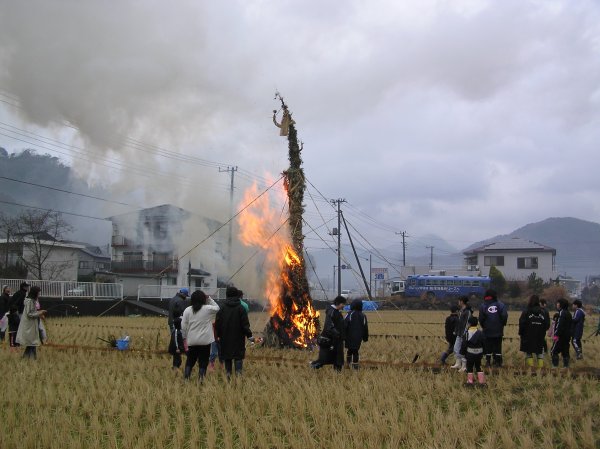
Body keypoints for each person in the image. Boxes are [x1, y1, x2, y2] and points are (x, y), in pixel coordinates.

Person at [215, 286, 254, 379]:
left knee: (227, 358)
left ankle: (228, 377)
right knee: (238, 357)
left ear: (227, 295)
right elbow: (245, 324)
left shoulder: (222, 308)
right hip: (238, 338)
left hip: (225, 338)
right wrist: (249, 335)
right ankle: (238, 377)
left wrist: (219, 335)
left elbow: (218, 324)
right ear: (237, 295)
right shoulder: (241, 308)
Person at [181, 290, 220, 381]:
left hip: (192, 340)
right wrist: (209, 299)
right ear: (203, 299)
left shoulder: (187, 310)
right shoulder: (207, 309)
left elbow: (183, 326)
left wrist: (184, 338)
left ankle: (186, 377)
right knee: (203, 361)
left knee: (190, 360)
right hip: (205, 341)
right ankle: (201, 379)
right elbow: (217, 308)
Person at [310, 295, 347, 371]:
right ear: (338, 303)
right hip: (331, 339)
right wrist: (337, 334)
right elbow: (329, 327)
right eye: (343, 304)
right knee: (325, 359)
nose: (343, 306)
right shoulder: (332, 311)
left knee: (337, 358)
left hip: (337, 339)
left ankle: (337, 373)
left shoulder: (336, 311)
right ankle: (313, 367)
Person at [478, 289, 508, 367]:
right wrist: (502, 323)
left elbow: (481, 318)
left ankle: (488, 362)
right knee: (497, 346)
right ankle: (498, 362)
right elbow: (504, 316)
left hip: (487, 330)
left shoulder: (483, 306)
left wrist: (484, 326)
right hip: (498, 329)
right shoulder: (501, 305)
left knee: (488, 346)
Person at [15, 285, 46, 359]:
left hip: (31, 325)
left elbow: (32, 312)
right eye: (38, 292)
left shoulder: (31, 300)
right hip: (29, 325)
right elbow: (30, 314)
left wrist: (39, 312)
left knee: (31, 343)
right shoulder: (30, 301)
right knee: (32, 342)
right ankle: (32, 358)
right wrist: (40, 313)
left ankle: (26, 357)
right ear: (35, 293)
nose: (39, 294)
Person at [518, 295, 548, 369]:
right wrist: (542, 332)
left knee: (529, 352)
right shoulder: (543, 312)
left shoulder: (526, 311)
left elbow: (522, 323)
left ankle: (531, 367)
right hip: (539, 335)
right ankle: (540, 368)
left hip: (528, 335)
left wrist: (521, 333)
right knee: (539, 352)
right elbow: (546, 324)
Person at [344, 299, 369, 370]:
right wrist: (365, 338)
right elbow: (365, 328)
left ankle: (348, 364)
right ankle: (355, 366)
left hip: (349, 336)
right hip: (358, 337)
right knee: (355, 351)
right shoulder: (363, 315)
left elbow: (344, 324)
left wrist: (343, 335)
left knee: (349, 350)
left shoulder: (350, 313)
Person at [450, 296, 472, 372]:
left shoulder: (468, 311)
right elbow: (459, 323)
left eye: (459, 301)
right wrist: (456, 331)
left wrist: (464, 332)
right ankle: (458, 363)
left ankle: (464, 366)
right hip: (459, 333)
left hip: (464, 334)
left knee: (463, 350)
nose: (458, 302)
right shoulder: (461, 311)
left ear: (462, 302)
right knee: (456, 348)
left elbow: (467, 323)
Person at [462, 316, 485, 386]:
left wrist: (463, 353)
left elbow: (464, 344)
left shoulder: (467, 333)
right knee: (478, 366)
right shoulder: (480, 333)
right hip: (479, 354)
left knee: (470, 367)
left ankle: (470, 382)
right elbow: (484, 343)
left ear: (469, 324)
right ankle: (481, 382)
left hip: (470, 354)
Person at [551, 298, 572, 368]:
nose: (557, 304)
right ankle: (566, 367)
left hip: (560, 336)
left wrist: (556, 335)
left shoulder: (561, 313)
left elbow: (560, 325)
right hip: (567, 337)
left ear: (561, 304)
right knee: (565, 352)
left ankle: (554, 367)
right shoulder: (569, 313)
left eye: (558, 303)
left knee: (553, 351)